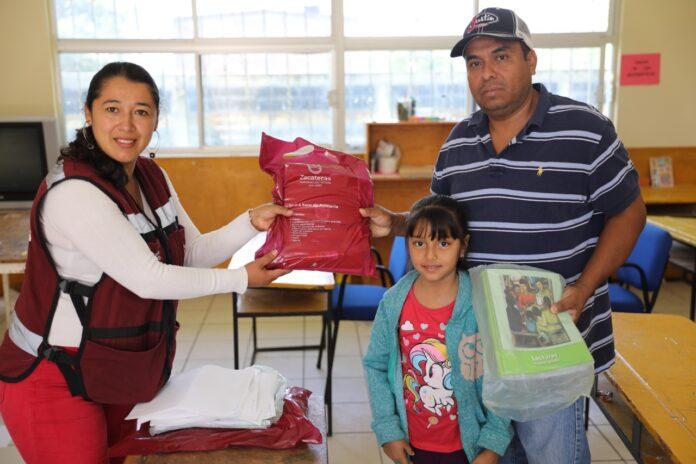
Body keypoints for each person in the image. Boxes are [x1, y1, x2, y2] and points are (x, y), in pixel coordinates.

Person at [360, 7, 646, 463]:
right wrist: (395, 223)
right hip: (477, 348)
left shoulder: (585, 130)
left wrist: (585, 287)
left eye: (501, 56)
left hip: (551, 345)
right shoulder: (458, 143)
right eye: (474, 62)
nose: (487, 72)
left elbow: (629, 213)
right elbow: (442, 223)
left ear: (531, 60)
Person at [0, 62, 290, 464]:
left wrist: (251, 222)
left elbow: (188, 253)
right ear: (88, 113)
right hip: (54, 374)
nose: (127, 125)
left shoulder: (152, 175)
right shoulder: (74, 191)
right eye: (112, 109)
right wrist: (240, 279)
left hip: (117, 366)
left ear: (155, 119)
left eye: (141, 111)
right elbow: (148, 279)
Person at [363, 195, 512, 464]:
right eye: (419, 243)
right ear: (407, 244)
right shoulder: (393, 302)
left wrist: (493, 441)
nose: (430, 255)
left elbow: (502, 372)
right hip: (412, 446)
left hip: (471, 447)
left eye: (443, 243)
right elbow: (376, 365)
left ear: (462, 246)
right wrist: (387, 430)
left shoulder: (480, 303)